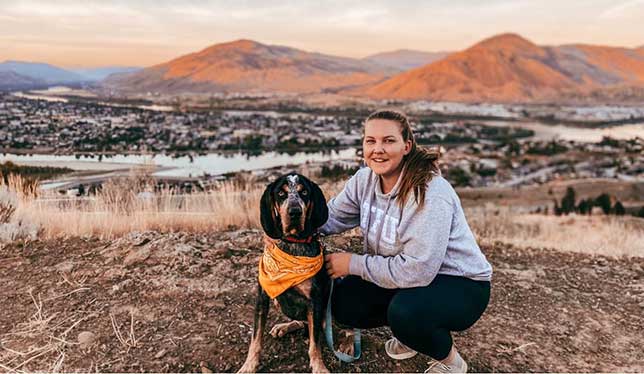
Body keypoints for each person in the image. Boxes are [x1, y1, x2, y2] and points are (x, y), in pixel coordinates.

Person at [321, 110, 492, 373]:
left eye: (388, 141)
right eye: (370, 141)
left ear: (406, 146)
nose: (378, 149)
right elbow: (331, 218)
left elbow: (419, 270)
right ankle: (411, 336)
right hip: (409, 275)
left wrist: (353, 263)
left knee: (406, 314)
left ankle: (450, 362)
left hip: (462, 284)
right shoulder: (364, 180)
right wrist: (288, 229)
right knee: (343, 303)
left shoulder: (429, 193)